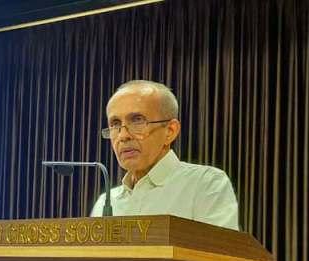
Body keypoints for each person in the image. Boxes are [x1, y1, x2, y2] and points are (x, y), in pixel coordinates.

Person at [90, 80, 240, 230]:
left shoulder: (205, 185)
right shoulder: (106, 202)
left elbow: (218, 245)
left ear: (170, 131)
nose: (123, 136)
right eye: (115, 124)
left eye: (137, 121)